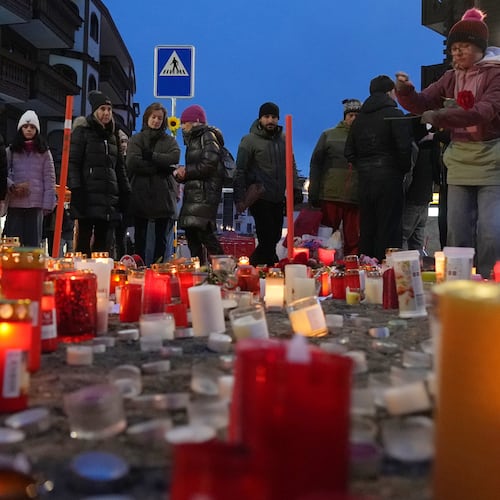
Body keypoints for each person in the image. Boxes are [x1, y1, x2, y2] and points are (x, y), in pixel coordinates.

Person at [395, 7, 500, 278]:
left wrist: (441, 115)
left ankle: (489, 283)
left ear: (479, 48)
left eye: (463, 46)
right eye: (453, 48)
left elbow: (484, 111)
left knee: (490, 230)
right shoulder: (450, 77)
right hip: (459, 161)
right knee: (456, 231)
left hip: (492, 161)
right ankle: (459, 283)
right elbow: (423, 102)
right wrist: (406, 92)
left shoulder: (495, 74)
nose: (456, 53)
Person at [345, 76, 412, 262]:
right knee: (389, 228)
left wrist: (363, 166)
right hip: (390, 180)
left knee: (367, 227)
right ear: (391, 92)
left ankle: (365, 270)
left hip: (365, 181)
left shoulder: (359, 120)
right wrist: (401, 169)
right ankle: (386, 273)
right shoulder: (394, 115)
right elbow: (404, 149)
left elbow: (348, 151)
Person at [233, 102, 303, 267]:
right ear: (260, 118)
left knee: (275, 236)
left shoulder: (284, 139)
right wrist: (239, 196)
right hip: (259, 195)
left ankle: (259, 269)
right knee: (267, 237)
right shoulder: (249, 140)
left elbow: (290, 164)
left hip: (278, 196)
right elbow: (240, 169)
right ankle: (263, 267)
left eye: (273, 117)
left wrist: (295, 188)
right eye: (267, 117)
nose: (270, 120)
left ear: (278, 119)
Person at [68, 91, 131, 257]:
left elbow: (119, 167)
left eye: (109, 109)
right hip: (87, 196)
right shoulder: (83, 132)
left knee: (103, 244)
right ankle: (82, 275)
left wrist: (125, 191)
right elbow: (73, 163)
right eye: (102, 109)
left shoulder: (113, 136)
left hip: (108, 198)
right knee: (83, 240)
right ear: (95, 111)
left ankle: (100, 276)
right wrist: (77, 189)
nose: (106, 113)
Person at [127, 102, 180, 264]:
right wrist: (159, 167)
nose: (156, 121)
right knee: (140, 238)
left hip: (163, 196)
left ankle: (158, 270)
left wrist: (151, 156)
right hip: (140, 195)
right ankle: (139, 268)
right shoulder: (136, 139)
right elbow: (132, 162)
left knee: (161, 240)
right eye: (153, 117)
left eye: (159, 118)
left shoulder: (169, 141)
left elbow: (174, 157)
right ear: (147, 117)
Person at [309, 98, 362, 256]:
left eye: (357, 115)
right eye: (350, 115)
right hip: (330, 194)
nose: (353, 118)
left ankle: (352, 267)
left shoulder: (365, 137)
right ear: (345, 116)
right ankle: (324, 267)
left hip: (355, 196)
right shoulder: (328, 135)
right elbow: (316, 164)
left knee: (354, 239)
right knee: (326, 238)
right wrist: (314, 191)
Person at [173, 104, 225, 264]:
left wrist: (186, 171)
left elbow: (209, 163)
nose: (182, 126)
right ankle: (200, 272)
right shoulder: (196, 139)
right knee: (192, 234)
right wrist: (182, 175)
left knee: (204, 234)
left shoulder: (207, 136)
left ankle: (225, 269)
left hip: (203, 196)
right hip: (195, 196)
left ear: (193, 122)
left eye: (184, 123)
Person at [4, 110, 56, 247]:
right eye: (25, 127)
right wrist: (11, 185)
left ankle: (32, 269)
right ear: (20, 128)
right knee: (13, 245)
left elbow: (49, 179)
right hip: (15, 203)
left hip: (35, 205)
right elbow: (3, 172)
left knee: (32, 246)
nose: (28, 130)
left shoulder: (44, 152)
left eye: (32, 127)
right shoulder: (11, 151)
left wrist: (48, 204)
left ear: (37, 130)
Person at [401, 120, 438, 254]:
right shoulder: (432, 148)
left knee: (402, 236)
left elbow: (409, 175)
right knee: (417, 240)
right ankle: (419, 269)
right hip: (425, 197)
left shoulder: (416, 149)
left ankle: (404, 271)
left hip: (414, 197)